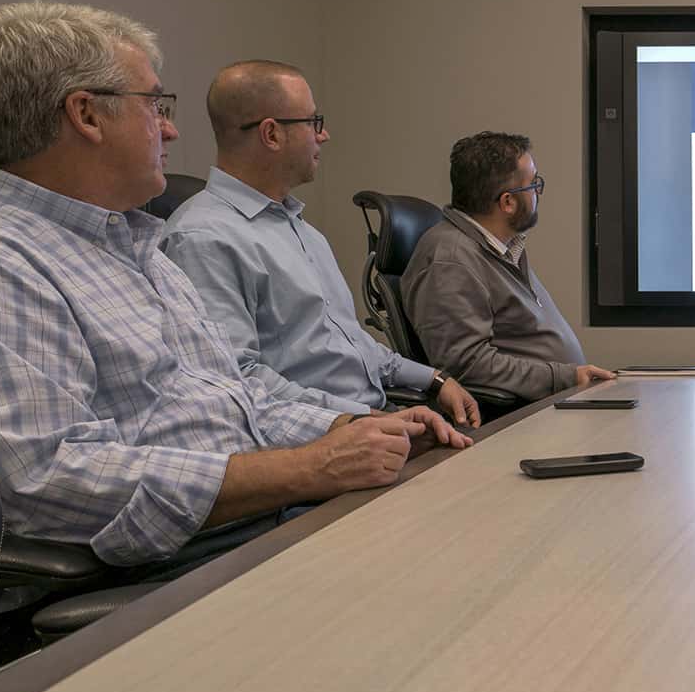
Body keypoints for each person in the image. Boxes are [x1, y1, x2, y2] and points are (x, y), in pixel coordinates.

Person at [0, 0, 469, 571]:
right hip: (181, 565)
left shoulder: (137, 247)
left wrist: (350, 428)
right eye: (155, 105)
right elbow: (43, 481)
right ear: (86, 115)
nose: (171, 128)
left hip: (262, 518)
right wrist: (310, 468)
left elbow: (236, 402)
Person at [159, 60, 480, 426]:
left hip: (372, 423)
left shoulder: (302, 231)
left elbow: (353, 345)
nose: (323, 135)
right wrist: (365, 419)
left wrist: (435, 379)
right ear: (272, 134)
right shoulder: (203, 238)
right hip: (317, 443)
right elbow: (239, 380)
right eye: (313, 123)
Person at [402, 131, 614, 403]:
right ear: (508, 202)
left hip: (553, 405)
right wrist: (565, 377)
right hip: (518, 420)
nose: (538, 191)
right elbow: (467, 367)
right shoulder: (451, 259)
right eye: (533, 184)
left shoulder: (500, 248)